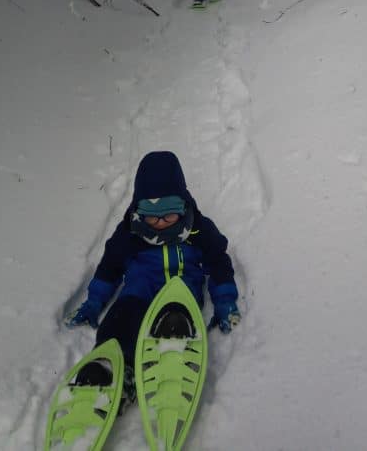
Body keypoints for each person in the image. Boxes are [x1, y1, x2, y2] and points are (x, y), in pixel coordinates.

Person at [64, 150, 240, 405]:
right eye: (151, 214)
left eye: (168, 214)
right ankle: (110, 368)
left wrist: (224, 300)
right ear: (138, 208)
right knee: (119, 320)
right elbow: (110, 266)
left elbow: (218, 259)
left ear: (182, 205)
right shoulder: (130, 232)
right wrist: (94, 302)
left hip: (180, 296)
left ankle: (174, 353)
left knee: (175, 318)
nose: (159, 223)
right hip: (138, 294)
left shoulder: (197, 227)